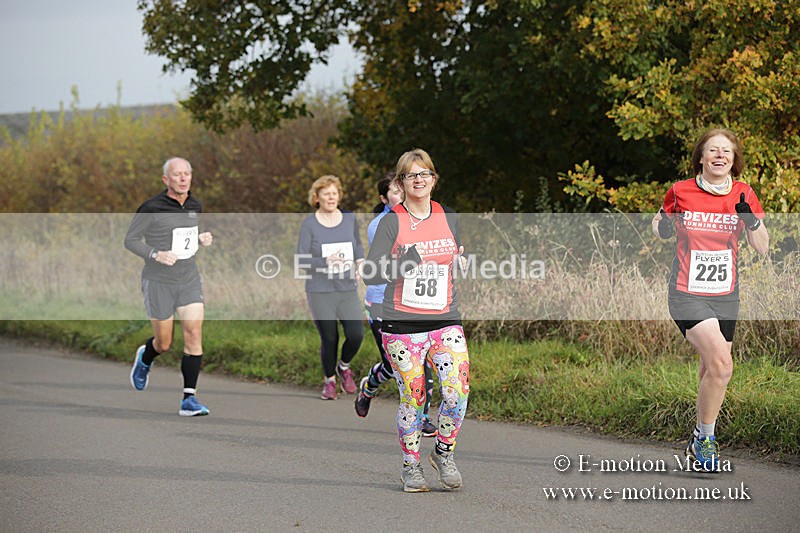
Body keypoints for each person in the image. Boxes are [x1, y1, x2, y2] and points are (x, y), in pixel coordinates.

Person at [652, 128, 768, 471]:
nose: (720, 156)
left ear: (734, 161)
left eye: (726, 152)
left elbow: (762, 247)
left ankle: (696, 438)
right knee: (722, 365)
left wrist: (749, 221)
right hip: (686, 292)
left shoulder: (744, 193)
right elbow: (659, 223)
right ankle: (705, 441)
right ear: (701, 157)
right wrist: (665, 227)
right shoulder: (681, 191)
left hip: (726, 295)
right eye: (713, 150)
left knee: (710, 368)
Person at [361, 148, 470, 493]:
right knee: (415, 398)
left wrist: (463, 261)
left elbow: (457, 252)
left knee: (457, 394)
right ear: (401, 182)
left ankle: (444, 453)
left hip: (445, 320)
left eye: (425, 173)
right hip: (401, 325)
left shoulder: (448, 215)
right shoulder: (390, 221)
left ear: (434, 179)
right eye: (411, 175)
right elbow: (371, 274)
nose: (419, 179)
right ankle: (411, 466)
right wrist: (404, 264)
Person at [125, 157, 214, 416]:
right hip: (158, 281)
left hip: (188, 278)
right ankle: (146, 357)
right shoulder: (151, 207)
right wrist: (155, 254)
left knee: (194, 333)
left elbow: (184, 239)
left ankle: (189, 399)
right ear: (166, 179)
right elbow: (130, 240)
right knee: (164, 343)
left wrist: (201, 238)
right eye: (177, 175)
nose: (183, 178)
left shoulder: (195, 204)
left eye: (187, 173)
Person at [355, 174, 438, 438]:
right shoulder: (379, 224)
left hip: (414, 301)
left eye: (402, 190)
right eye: (394, 192)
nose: (400, 195)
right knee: (395, 367)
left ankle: (423, 417)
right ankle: (370, 385)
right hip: (381, 301)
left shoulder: (421, 218)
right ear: (384, 198)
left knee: (424, 361)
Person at [297, 175, 365, 400]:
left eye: (335, 193)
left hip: (346, 287)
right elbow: (301, 261)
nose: (331, 197)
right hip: (320, 290)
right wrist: (325, 262)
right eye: (326, 194)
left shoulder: (349, 219)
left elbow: (357, 245)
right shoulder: (309, 224)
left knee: (356, 334)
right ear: (316, 198)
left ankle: (343, 366)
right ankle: (329, 381)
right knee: (330, 338)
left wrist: (360, 263)